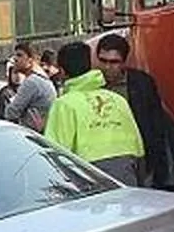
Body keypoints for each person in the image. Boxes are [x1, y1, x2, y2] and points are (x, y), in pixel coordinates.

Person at [95, 32, 174, 189]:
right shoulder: (92, 85)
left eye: (114, 62)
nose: (107, 67)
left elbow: (156, 125)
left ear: (124, 62)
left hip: (140, 156)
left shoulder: (141, 83)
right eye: (103, 61)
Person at [44, 41, 145, 185]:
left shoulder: (64, 104)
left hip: (88, 174)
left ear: (62, 71)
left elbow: (55, 153)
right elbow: (139, 146)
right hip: (127, 170)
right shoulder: (118, 99)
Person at [5, 42, 57, 132]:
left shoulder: (31, 82)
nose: (15, 59)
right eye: (15, 55)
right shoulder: (44, 80)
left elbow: (11, 113)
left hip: (31, 134)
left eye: (19, 55)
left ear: (30, 60)